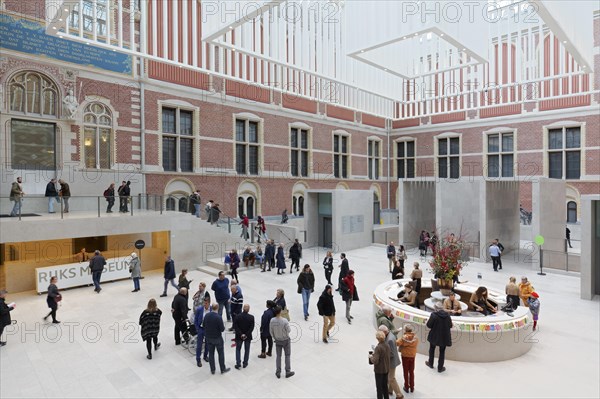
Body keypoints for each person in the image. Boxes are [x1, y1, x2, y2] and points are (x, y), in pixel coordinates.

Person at [203, 303, 231, 374]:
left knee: (211, 354)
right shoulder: (218, 317)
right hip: (217, 338)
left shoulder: (207, 315)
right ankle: (222, 369)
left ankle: (212, 369)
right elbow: (222, 329)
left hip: (209, 338)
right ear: (218, 308)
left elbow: (204, 325)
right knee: (221, 354)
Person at [379, 325, 403, 399]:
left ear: (385, 332)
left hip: (391, 362)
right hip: (392, 361)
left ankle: (399, 395)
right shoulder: (390, 334)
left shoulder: (389, 340)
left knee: (391, 378)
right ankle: (390, 390)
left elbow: (391, 353)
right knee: (390, 376)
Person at [269, 306, 295, 378]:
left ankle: (278, 371)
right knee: (287, 355)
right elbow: (289, 330)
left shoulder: (272, 320)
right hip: (285, 340)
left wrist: (275, 338)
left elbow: (271, 332)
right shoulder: (284, 321)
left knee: (278, 356)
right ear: (280, 312)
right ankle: (287, 371)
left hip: (277, 340)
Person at [425, 309, 452, 373]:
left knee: (432, 349)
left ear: (436, 309)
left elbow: (429, 325)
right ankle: (440, 368)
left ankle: (430, 363)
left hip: (434, 335)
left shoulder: (434, 315)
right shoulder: (448, 316)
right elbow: (450, 325)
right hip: (444, 337)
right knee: (442, 352)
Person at [397, 324, 418, 394]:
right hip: (412, 356)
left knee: (405, 371)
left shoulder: (404, 338)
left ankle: (406, 386)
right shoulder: (416, 338)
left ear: (405, 330)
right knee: (411, 371)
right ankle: (412, 387)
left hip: (405, 356)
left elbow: (397, 343)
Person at [370, 330, 391, 399]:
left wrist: (371, 357)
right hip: (386, 369)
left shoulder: (378, 348)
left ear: (378, 338)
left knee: (379, 388)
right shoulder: (387, 345)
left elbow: (375, 361)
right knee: (385, 386)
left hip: (379, 370)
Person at [234, 304, 255, 369]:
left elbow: (236, 327)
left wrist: (241, 334)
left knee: (238, 349)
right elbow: (252, 328)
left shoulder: (237, 316)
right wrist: (246, 334)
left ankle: (238, 363)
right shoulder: (251, 317)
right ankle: (245, 363)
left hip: (239, 336)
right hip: (247, 336)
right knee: (247, 350)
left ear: (243, 309)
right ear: (248, 310)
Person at [194, 296, 211, 367]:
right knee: (199, 345)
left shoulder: (212, 309)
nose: (204, 304)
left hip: (208, 329)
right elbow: (196, 319)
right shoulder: (199, 309)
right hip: (201, 328)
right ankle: (198, 359)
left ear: (209, 303)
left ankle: (205, 356)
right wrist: (197, 328)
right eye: (204, 303)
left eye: (206, 303)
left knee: (207, 343)